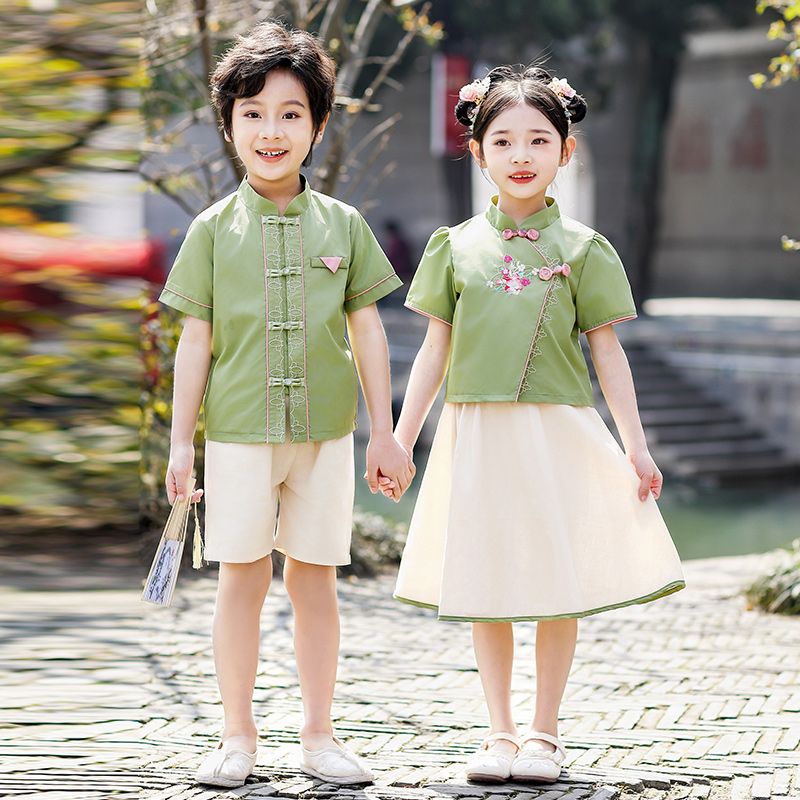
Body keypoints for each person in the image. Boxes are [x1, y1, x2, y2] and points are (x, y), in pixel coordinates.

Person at [388, 65, 685, 785]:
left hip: (559, 432)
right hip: (476, 437)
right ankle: (498, 733)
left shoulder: (586, 249)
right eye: (505, 140)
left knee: (558, 580)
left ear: (565, 152)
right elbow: (436, 349)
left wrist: (636, 447)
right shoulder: (452, 248)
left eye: (538, 140)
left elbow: (609, 358)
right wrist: (400, 437)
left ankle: (545, 734)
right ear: (479, 152)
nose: (522, 155)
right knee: (484, 581)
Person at [159, 21, 414, 789]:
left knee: (315, 580)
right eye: (253, 114)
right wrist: (180, 446)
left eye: (291, 113)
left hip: (327, 435)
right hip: (236, 435)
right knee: (240, 578)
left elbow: (368, 330)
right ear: (230, 125)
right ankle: (236, 737)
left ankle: (320, 736)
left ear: (319, 125)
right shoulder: (209, 231)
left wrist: (386, 433)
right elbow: (195, 343)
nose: (272, 131)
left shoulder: (344, 226)